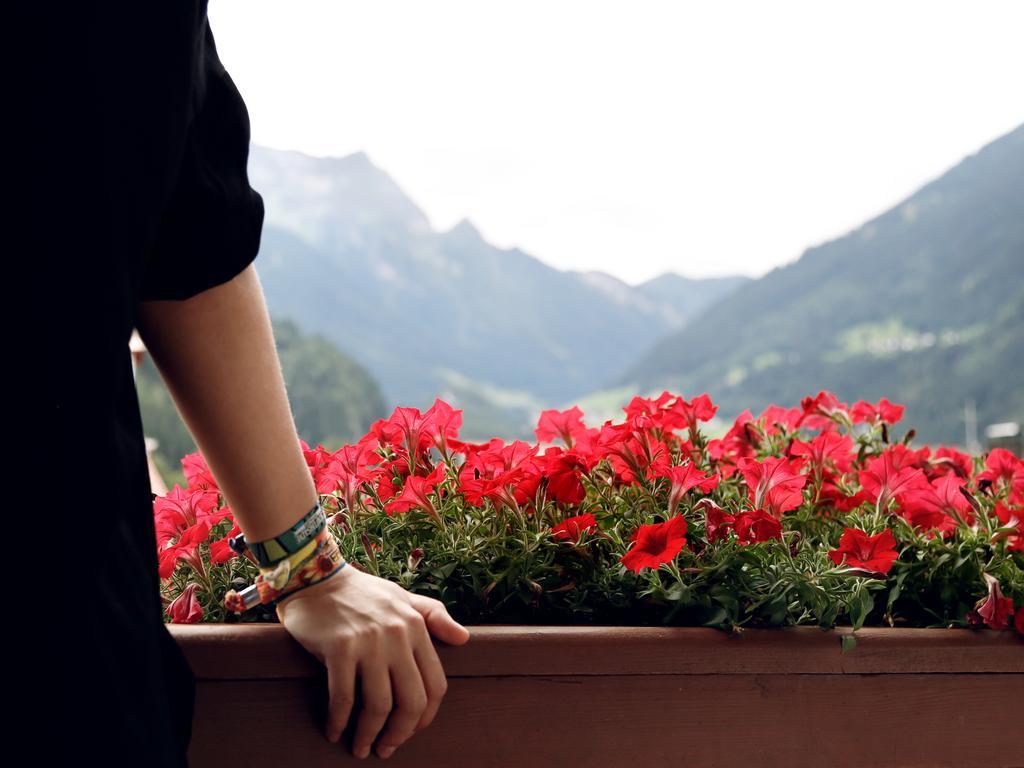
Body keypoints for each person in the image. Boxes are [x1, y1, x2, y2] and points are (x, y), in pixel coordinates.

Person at [39, 3, 469, 766]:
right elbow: (193, 241)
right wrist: (306, 568)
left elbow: (191, 232)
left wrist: (306, 568)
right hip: (53, 633)